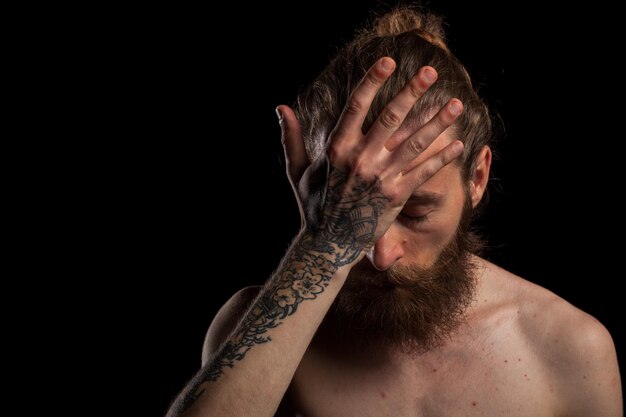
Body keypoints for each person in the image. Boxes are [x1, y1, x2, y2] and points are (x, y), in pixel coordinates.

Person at [166, 7, 622, 417]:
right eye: (348, 209)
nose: (380, 254)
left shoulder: (569, 348)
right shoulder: (250, 329)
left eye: (416, 211)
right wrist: (324, 246)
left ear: (477, 179)